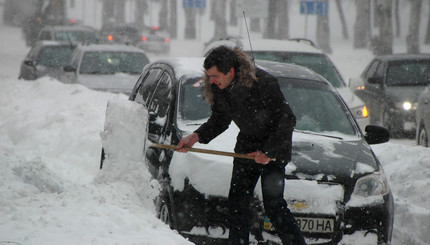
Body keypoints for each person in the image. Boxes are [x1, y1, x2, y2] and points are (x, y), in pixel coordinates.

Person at [176, 46, 306, 245]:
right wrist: (196, 136)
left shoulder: (263, 83)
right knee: (237, 202)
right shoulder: (219, 88)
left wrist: (267, 152)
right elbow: (220, 119)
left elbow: (287, 120)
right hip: (247, 144)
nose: (211, 81)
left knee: (273, 206)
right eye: (208, 76)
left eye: (215, 75)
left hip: (274, 146)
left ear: (231, 71)